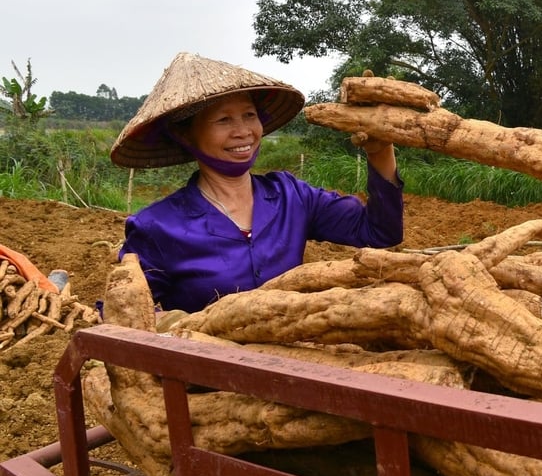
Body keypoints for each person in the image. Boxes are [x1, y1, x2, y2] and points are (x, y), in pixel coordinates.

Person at [111, 52, 405, 313]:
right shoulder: (158, 226)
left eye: (249, 115)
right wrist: (180, 330)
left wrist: (380, 149)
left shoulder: (291, 197)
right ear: (186, 136)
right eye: (223, 120)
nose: (243, 132)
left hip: (294, 363)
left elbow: (380, 232)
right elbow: (121, 313)